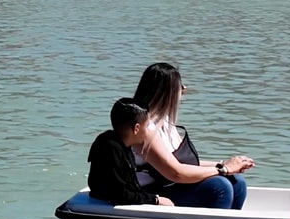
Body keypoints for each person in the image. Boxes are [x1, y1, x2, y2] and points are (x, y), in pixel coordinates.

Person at [129, 62, 254, 209]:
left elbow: (185, 163)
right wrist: (224, 169)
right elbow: (175, 173)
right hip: (151, 193)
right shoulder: (145, 129)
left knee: (237, 181)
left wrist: (224, 165)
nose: (184, 90)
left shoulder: (166, 122)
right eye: (180, 86)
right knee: (219, 186)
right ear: (168, 92)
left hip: (168, 184)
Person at [88, 98, 171, 206]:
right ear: (136, 128)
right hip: (108, 204)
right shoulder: (110, 149)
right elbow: (120, 195)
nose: (148, 131)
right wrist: (155, 200)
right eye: (147, 126)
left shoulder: (123, 144)